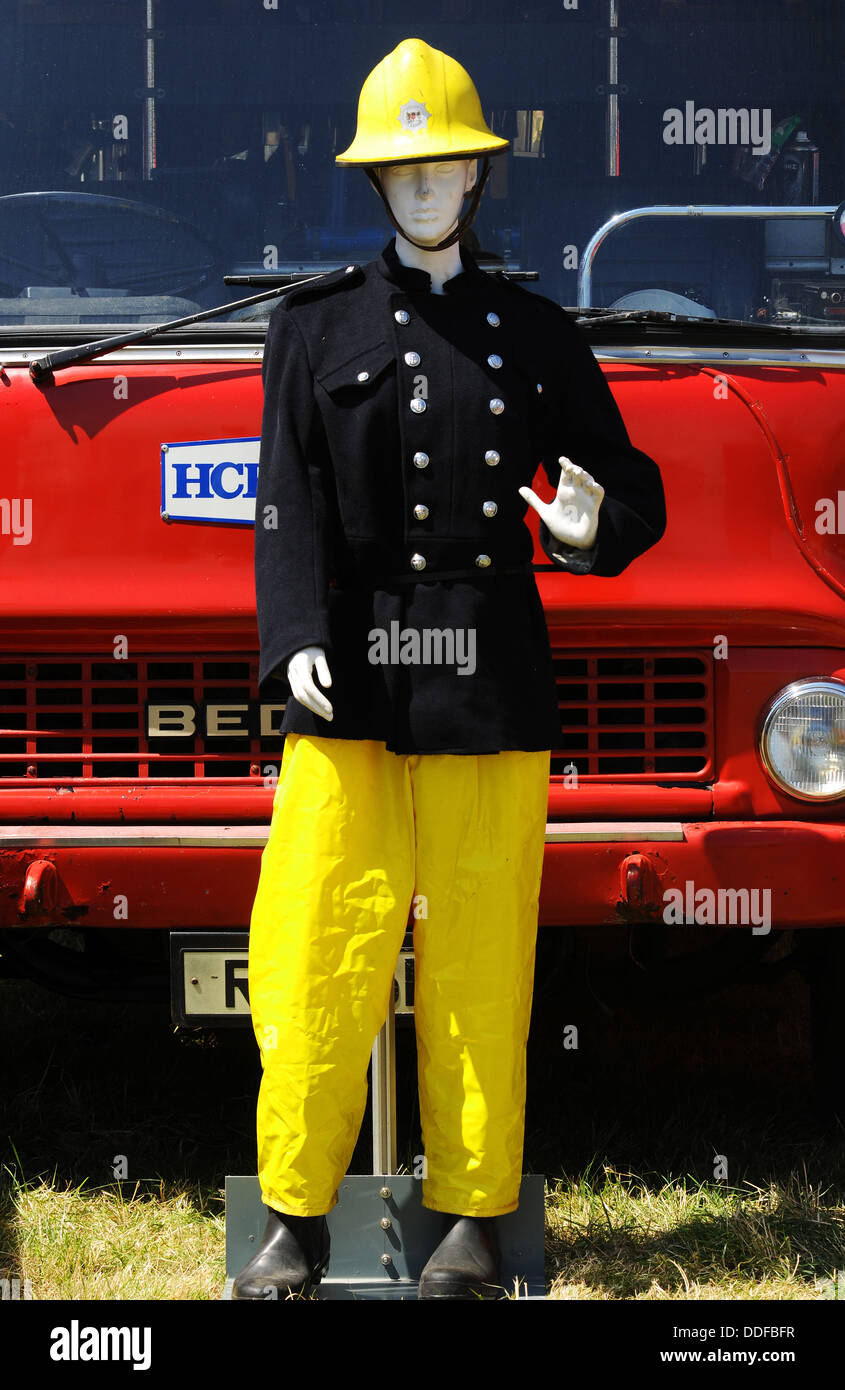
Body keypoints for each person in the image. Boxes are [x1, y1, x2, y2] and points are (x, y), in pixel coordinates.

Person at [233, 36, 666, 1301]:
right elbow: (285, 503)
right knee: (317, 948)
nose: (425, 189)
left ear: (476, 179)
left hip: (486, 682)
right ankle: (292, 1219)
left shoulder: (531, 330)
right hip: (353, 686)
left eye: (446, 168)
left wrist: (595, 525)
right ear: (376, 182)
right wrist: (297, 635)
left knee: (481, 961)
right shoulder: (311, 329)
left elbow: (622, 481)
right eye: (402, 168)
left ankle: (471, 1212)